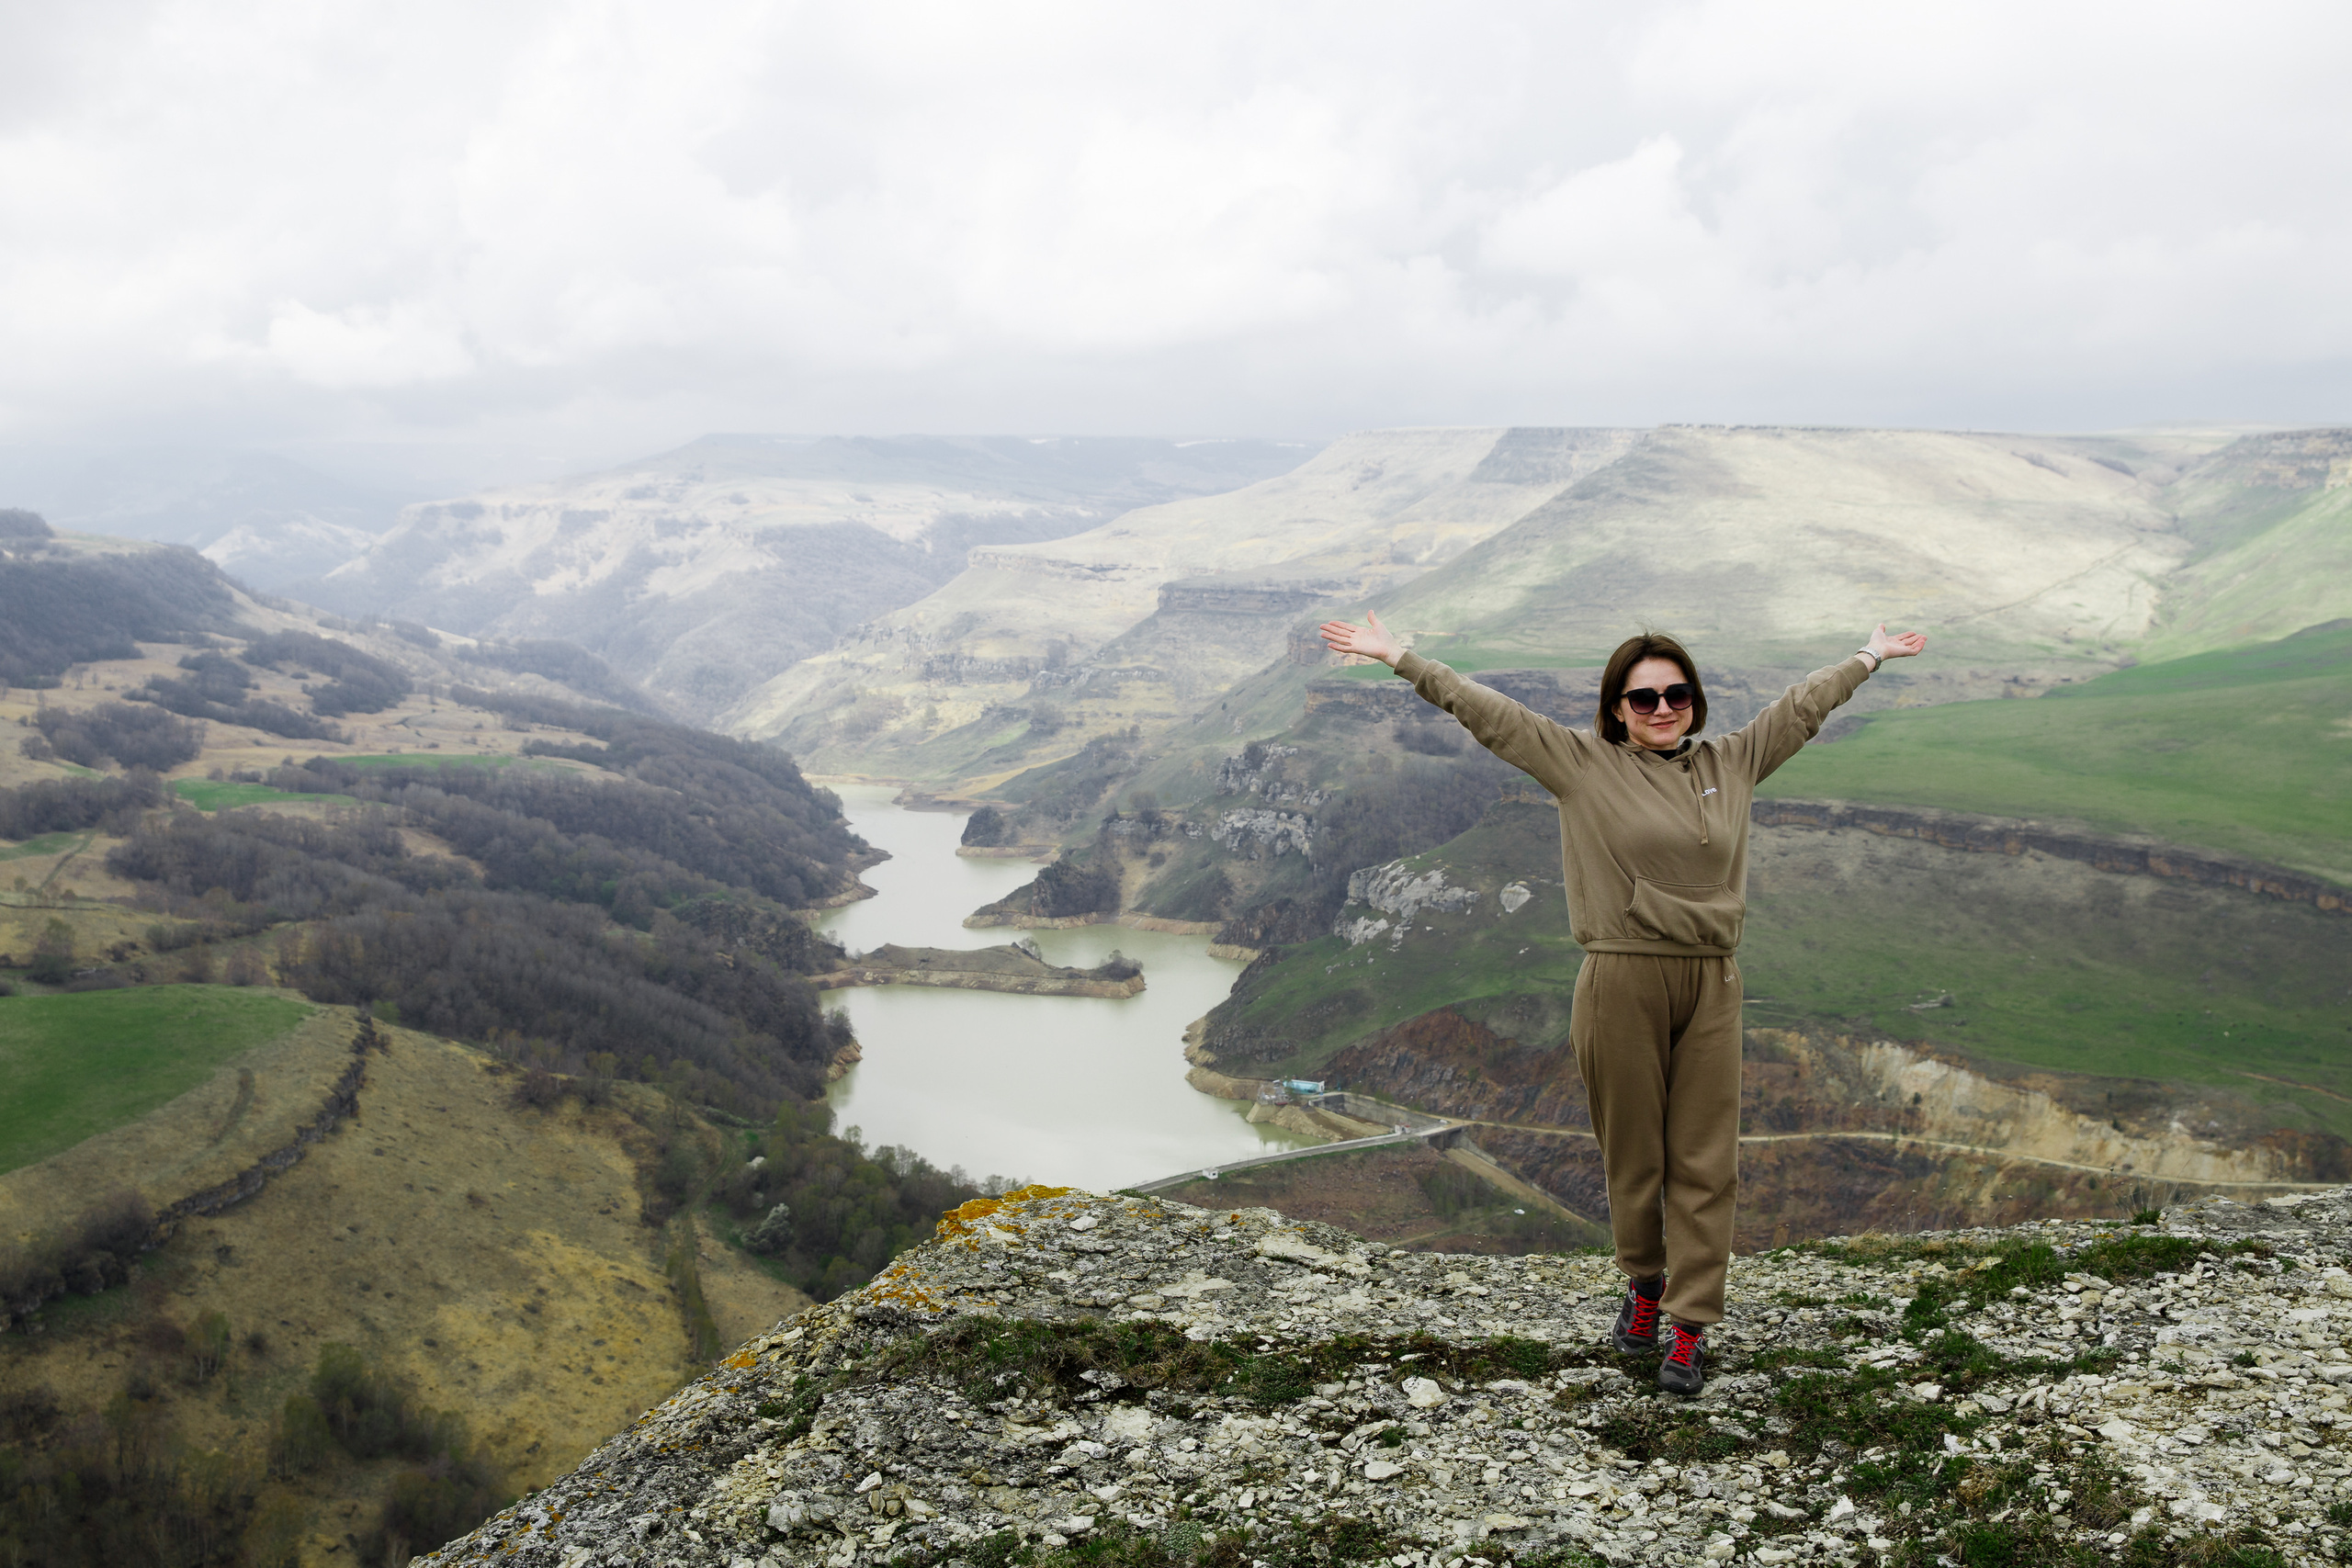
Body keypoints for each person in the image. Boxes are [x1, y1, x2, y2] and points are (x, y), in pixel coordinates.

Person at [1315, 612, 1928, 1393]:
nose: (1663, 708)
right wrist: (1400, 656)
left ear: (1695, 701)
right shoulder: (1581, 764)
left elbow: (1801, 707)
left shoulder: (1732, 763)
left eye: (1677, 693)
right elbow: (1487, 711)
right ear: (1615, 709)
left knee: (1706, 1160)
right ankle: (1643, 1284)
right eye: (1643, 699)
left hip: (1712, 981)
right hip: (1619, 978)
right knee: (1634, 1156)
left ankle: (1691, 1325)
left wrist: (1870, 655)